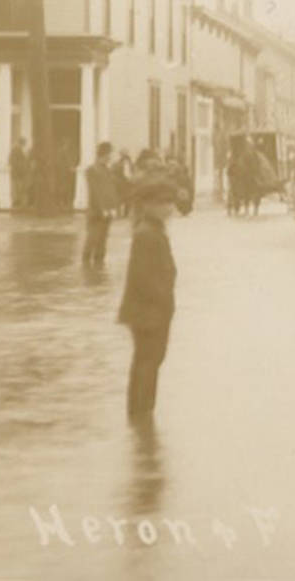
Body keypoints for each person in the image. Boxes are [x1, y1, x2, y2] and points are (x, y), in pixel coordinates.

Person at [117, 179, 179, 421]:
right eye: (164, 203)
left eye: (170, 203)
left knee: (148, 362)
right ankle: (141, 415)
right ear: (150, 206)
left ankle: (141, 415)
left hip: (149, 311)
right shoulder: (147, 234)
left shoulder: (151, 231)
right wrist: (164, 299)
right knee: (147, 362)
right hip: (148, 312)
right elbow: (144, 277)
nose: (169, 208)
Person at [83, 142, 121, 268]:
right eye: (109, 154)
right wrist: (102, 208)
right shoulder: (91, 170)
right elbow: (95, 191)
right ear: (103, 154)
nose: (110, 157)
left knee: (103, 240)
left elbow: (112, 190)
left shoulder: (108, 170)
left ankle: (98, 266)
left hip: (108, 211)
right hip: (96, 211)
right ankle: (86, 265)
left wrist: (114, 207)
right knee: (92, 238)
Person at [9, 137, 30, 211]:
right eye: (23, 143)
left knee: (19, 189)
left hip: (19, 174)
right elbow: (14, 162)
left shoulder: (18, 150)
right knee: (18, 189)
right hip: (18, 174)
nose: (23, 145)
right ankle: (18, 204)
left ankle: (19, 204)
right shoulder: (16, 150)